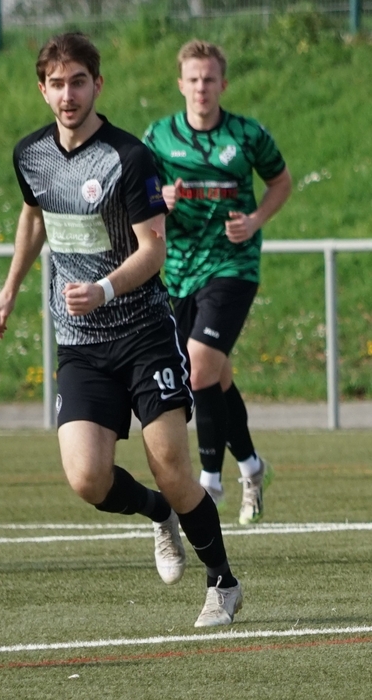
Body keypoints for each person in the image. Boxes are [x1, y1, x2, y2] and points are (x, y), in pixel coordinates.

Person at [0, 33, 242, 626]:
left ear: (97, 85)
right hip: (80, 346)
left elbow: (153, 249)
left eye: (78, 81)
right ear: (42, 89)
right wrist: (9, 288)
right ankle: (158, 514)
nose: (68, 94)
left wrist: (103, 288)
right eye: (56, 83)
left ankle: (223, 582)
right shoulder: (30, 155)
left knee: (172, 467)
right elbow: (34, 217)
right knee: (87, 478)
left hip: (143, 334)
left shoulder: (129, 157)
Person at [143, 40, 291, 525]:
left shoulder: (246, 134)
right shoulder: (159, 136)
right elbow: (139, 194)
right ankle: (252, 467)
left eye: (209, 79)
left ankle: (210, 482)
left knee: (200, 367)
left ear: (222, 84)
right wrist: (159, 199)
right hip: (180, 270)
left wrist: (255, 220)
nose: (201, 87)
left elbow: (281, 181)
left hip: (233, 266)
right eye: (193, 79)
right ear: (180, 84)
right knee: (216, 375)